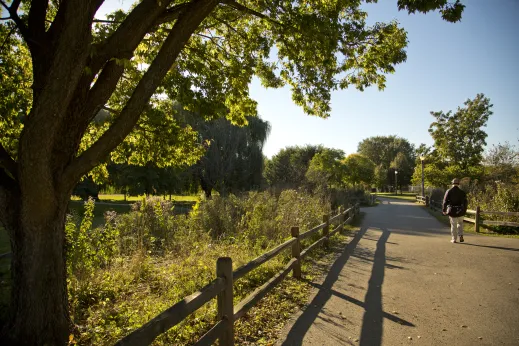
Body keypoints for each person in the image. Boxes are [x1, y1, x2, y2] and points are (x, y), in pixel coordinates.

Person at [442, 178, 468, 243]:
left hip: (452, 210)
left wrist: (444, 210)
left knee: (453, 225)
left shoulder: (449, 191)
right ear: (458, 184)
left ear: (452, 183)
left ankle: (454, 239)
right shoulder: (462, 192)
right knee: (460, 223)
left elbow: (445, 201)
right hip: (460, 210)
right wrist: (464, 210)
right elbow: (465, 202)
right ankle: (461, 235)